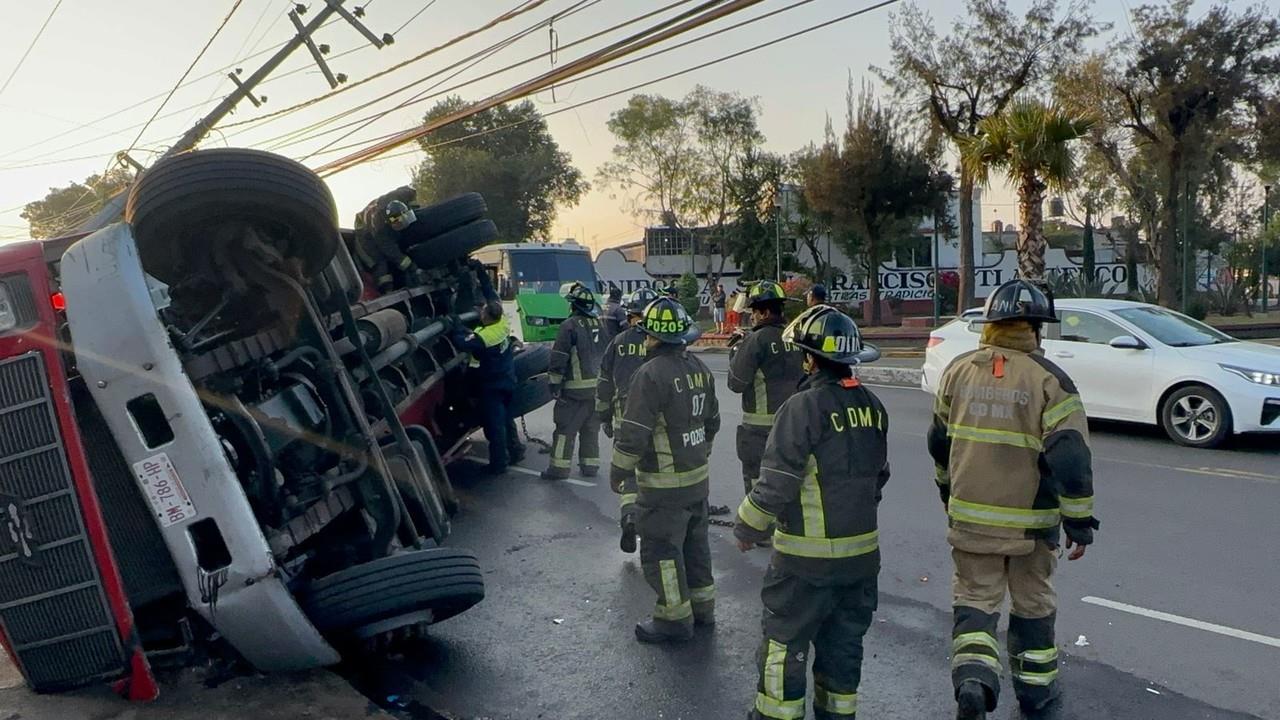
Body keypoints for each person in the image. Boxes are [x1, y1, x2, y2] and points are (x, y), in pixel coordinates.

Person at [927, 279, 1098, 720]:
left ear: (990, 325)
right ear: (1036, 329)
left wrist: (948, 492)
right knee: (1033, 603)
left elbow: (938, 442)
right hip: (1031, 526)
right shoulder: (1050, 381)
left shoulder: (957, 372)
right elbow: (1072, 456)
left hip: (970, 520)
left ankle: (973, 682)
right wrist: (1079, 521)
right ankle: (1037, 695)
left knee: (975, 601)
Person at [735, 304, 887, 720]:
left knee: (784, 642)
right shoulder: (873, 406)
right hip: (861, 563)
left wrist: (747, 526)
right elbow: (879, 478)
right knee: (843, 646)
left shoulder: (802, 408)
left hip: (806, 564)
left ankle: (775, 715)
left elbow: (776, 483)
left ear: (808, 357)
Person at [610, 296, 719, 644]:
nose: (643, 341)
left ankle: (673, 619)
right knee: (695, 548)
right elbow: (712, 422)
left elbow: (633, 435)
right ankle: (702, 611)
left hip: (662, 489)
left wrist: (618, 473)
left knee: (662, 551)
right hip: (697, 482)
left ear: (654, 337)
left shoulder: (650, 375)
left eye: (646, 335)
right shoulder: (698, 369)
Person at [727, 280, 805, 500]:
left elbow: (736, 383)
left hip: (760, 434)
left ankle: (758, 531)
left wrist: (736, 351)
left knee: (758, 487)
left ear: (764, 312)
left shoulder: (756, 340)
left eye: (754, 311)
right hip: (794, 429)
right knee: (790, 483)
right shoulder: (796, 338)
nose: (751, 316)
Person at [596, 288, 660, 554]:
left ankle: (629, 516)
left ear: (630, 313)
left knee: (629, 473)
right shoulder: (660, 342)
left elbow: (604, 382)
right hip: (655, 419)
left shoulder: (618, 342)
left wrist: (604, 416)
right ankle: (654, 524)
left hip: (624, 415)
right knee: (654, 469)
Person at [543, 282, 609, 480]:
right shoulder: (600, 324)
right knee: (590, 430)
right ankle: (590, 467)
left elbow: (559, 357)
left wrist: (554, 385)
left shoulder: (569, 326)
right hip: (596, 390)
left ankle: (559, 469)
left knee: (565, 430)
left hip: (574, 392)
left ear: (573, 305)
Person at [453, 302, 524, 474]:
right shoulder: (502, 324)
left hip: (493, 387)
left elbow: (462, 343)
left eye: (483, 312)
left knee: (495, 427)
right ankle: (516, 451)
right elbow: (474, 335)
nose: (480, 314)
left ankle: (499, 464)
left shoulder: (484, 337)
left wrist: (454, 327)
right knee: (507, 418)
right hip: (507, 380)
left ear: (486, 317)